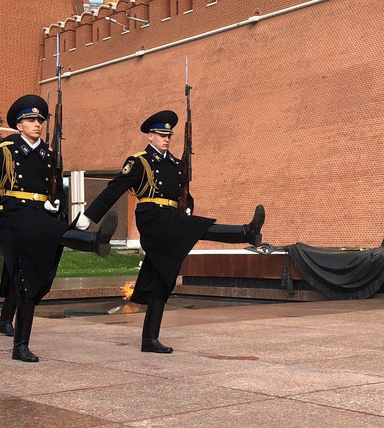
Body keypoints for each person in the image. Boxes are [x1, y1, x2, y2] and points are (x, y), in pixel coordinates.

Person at [81, 110, 265, 354]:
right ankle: (246, 232)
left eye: (169, 135)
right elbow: (114, 189)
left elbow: (185, 197)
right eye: (161, 134)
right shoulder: (139, 162)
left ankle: (149, 340)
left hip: (171, 219)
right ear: (150, 137)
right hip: (152, 219)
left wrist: (187, 209)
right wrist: (89, 216)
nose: (166, 139)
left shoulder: (176, 165)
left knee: (162, 278)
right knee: (196, 227)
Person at [0, 95, 117, 362]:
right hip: (13, 216)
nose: (37, 124)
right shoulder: (6, 150)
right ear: (19, 126)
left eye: (40, 119)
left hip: (39, 217)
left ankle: (92, 241)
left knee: (28, 273)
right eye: (31, 120)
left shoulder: (48, 155)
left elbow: (56, 191)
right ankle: (92, 241)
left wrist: (56, 201)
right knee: (28, 268)